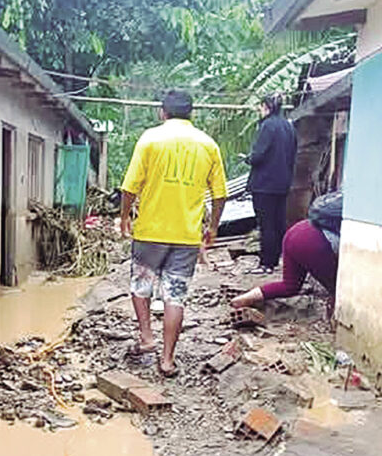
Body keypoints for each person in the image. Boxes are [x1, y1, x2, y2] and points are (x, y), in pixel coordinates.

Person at [120, 89, 227, 376]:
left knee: (141, 286)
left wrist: (123, 218)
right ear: (191, 113)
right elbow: (220, 195)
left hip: (150, 232)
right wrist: (213, 227)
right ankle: (167, 360)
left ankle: (147, 337)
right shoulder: (208, 145)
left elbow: (130, 187)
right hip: (186, 237)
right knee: (174, 296)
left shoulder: (150, 139)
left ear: (162, 112)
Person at [232, 191, 343, 310]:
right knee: (339, 289)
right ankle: (335, 322)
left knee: (289, 286)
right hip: (313, 243)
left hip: (296, 231)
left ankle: (245, 298)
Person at [245, 93, 297, 273]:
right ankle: (279, 260)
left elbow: (258, 155)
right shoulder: (288, 126)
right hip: (282, 183)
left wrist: (248, 159)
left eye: (260, 106)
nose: (259, 110)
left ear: (266, 106)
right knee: (278, 222)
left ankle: (266, 263)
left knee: (266, 224)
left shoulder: (267, 126)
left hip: (264, 184)